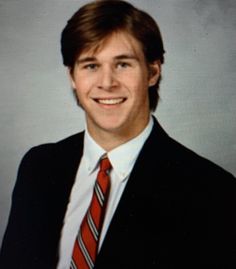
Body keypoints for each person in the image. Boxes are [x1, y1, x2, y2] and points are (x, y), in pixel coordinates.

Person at [0, 0, 235, 268]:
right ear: (72, 77)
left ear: (152, 72)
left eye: (123, 64)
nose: (107, 82)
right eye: (90, 65)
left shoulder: (212, 192)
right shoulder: (39, 168)